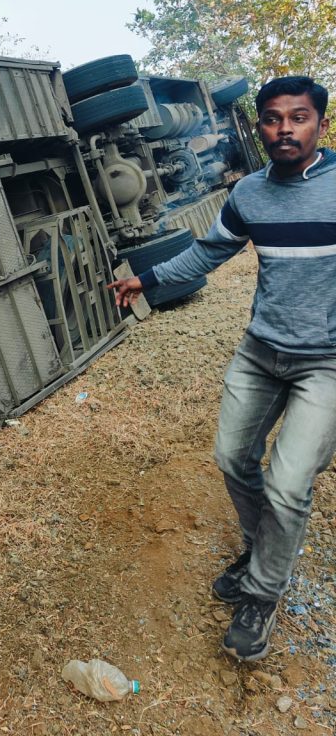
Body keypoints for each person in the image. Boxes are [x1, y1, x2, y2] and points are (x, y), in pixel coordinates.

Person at [109, 75, 336, 663]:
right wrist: (147, 278)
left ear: (320, 124)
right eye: (272, 118)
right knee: (233, 458)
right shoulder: (250, 194)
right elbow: (210, 252)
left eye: (300, 117)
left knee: (288, 487)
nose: (285, 128)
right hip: (262, 353)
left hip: (327, 365)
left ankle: (263, 591)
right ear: (259, 126)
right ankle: (263, 550)